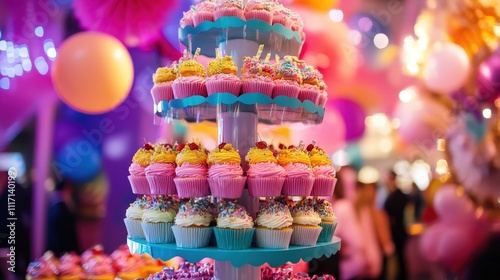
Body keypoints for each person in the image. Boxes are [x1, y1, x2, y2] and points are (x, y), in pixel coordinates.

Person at [383, 171, 409, 280]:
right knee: (400, 257)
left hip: (397, 231)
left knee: (399, 257)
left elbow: (395, 214)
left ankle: (402, 276)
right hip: (399, 230)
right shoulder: (395, 194)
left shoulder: (397, 195)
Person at [46, 179, 80, 255]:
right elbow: (69, 236)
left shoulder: (55, 205)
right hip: (62, 254)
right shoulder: (63, 208)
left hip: (54, 250)